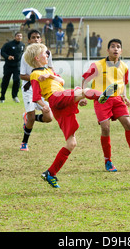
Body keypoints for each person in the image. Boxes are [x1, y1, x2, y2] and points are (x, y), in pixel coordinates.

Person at [24, 43, 118, 188]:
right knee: (84, 90)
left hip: (61, 104)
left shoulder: (48, 70)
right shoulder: (35, 75)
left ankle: (50, 173)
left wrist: (51, 76)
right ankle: (100, 97)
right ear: (37, 58)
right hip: (55, 99)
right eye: (45, 53)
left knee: (72, 143)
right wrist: (44, 107)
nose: (48, 55)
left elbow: (61, 81)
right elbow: (36, 97)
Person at [82, 38, 130, 172]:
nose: (115, 49)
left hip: (117, 100)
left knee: (128, 125)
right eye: (112, 46)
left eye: (118, 47)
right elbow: (85, 79)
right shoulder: (97, 65)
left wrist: (125, 96)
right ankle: (108, 161)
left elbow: (123, 83)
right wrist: (82, 95)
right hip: (102, 101)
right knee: (105, 129)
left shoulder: (124, 66)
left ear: (121, 50)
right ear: (107, 50)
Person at [19, 30, 53, 151]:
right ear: (29, 40)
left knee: (49, 118)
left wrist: (52, 76)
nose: (36, 39)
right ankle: (24, 143)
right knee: (31, 118)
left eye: (38, 37)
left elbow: (50, 69)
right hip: (29, 89)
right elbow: (22, 75)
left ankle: (27, 117)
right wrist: (36, 77)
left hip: (43, 88)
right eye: (33, 37)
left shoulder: (47, 53)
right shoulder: (26, 56)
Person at [0, 32, 26, 103]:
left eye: (20, 36)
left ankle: (15, 96)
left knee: (17, 80)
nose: (19, 37)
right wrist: (7, 57)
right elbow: (2, 52)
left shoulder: (22, 45)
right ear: (15, 37)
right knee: (6, 81)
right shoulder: (8, 44)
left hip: (17, 66)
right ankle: (2, 96)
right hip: (8, 66)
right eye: (18, 36)